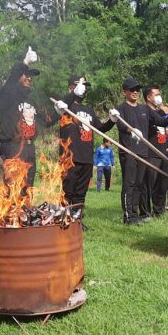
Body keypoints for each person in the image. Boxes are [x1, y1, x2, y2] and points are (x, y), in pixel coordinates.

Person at [102, 78, 168, 225]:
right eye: (132, 90)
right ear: (125, 92)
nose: (135, 92)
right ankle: (128, 216)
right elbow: (122, 127)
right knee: (129, 184)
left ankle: (136, 215)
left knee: (138, 184)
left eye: (137, 89)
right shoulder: (121, 109)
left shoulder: (144, 109)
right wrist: (131, 129)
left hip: (143, 152)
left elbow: (161, 121)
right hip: (128, 151)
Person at [0, 47, 57, 188]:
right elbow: (10, 82)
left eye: (31, 76)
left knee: (27, 189)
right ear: (17, 76)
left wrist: (60, 112)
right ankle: (12, 211)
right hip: (12, 148)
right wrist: (25, 62)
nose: (29, 78)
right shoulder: (7, 96)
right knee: (13, 189)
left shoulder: (32, 102)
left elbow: (46, 122)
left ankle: (27, 210)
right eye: (25, 74)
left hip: (29, 148)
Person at [53, 75, 109, 226]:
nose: (84, 90)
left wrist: (112, 120)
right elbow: (59, 106)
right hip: (69, 157)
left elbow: (101, 129)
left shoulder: (88, 110)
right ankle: (64, 220)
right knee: (67, 192)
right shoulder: (65, 106)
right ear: (71, 87)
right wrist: (72, 95)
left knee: (80, 193)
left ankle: (77, 221)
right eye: (79, 86)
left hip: (86, 158)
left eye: (85, 87)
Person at [141, 85, 168, 217]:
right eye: (156, 94)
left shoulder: (160, 113)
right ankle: (145, 212)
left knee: (161, 185)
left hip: (163, 152)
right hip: (151, 153)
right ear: (148, 97)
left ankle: (159, 211)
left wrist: (166, 144)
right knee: (148, 185)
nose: (159, 97)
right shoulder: (144, 111)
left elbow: (164, 128)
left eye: (160, 94)